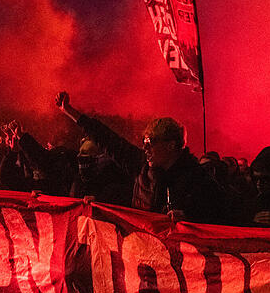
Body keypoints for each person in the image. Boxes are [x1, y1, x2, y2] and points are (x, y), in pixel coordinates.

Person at [55, 91, 228, 224]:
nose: (145, 148)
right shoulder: (142, 167)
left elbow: (224, 216)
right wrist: (70, 112)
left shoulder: (198, 179)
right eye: (144, 142)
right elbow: (108, 139)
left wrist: (190, 219)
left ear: (171, 145)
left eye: (150, 142)